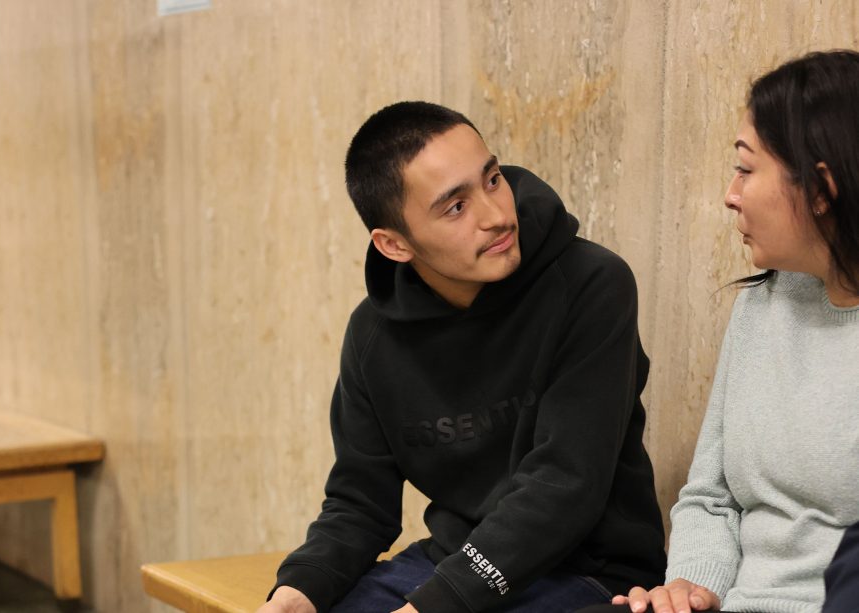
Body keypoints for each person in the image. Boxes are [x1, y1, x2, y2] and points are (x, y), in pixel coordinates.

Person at [256, 101, 666, 613]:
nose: (496, 216)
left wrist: (436, 606)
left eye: (492, 180)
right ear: (394, 244)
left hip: (591, 575)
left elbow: (564, 487)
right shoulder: (372, 336)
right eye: (455, 207)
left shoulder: (590, 284)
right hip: (450, 563)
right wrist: (299, 590)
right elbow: (359, 504)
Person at [590, 50, 859, 613]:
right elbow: (711, 495)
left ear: (820, 189)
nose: (730, 194)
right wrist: (691, 588)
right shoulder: (767, 301)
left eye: (745, 167)